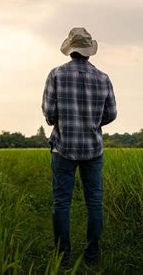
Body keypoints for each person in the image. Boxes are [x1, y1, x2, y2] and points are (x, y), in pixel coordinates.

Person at [41, 27, 117, 266]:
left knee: (61, 201)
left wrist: (58, 121)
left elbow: (49, 111)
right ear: (89, 52)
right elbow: (111, 113)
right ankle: (92, 256)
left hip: (63, 147)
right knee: (94, 201)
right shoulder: (103, 78)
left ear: (70, 50)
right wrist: (93, 123)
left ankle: (63, 258)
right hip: (94, 149)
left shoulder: (56, 74)